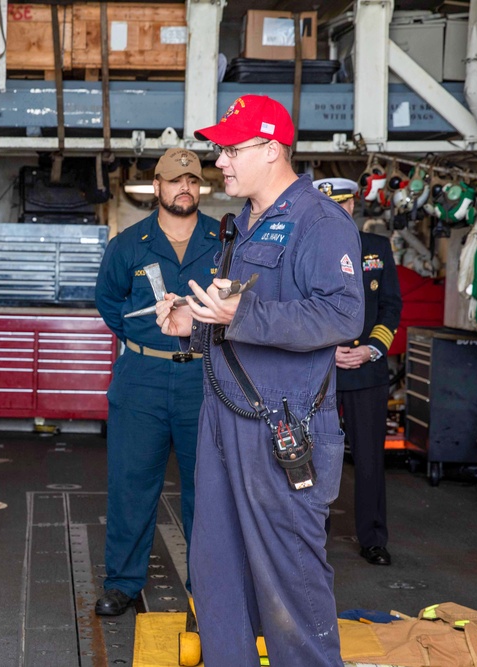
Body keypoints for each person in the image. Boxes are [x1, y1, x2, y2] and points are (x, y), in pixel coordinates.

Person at [156, 96, 364, 666]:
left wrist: (237, 317)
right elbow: (230, 317)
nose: (219, 161)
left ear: (271, 150)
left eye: (231, 148)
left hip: (282, 426)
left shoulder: (320, 222)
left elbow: (343, 315)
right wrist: (190, 327)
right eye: (220, 148)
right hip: (223, 418)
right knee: (217, 571)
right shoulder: (244, 226)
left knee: (288, 579)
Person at [93, 148, 221, 616]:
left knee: (205, 489)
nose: (184, 187)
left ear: (199, 187)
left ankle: (206, 585)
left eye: (192, 180)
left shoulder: (223, 240)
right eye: (174, 180)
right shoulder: (129, 244)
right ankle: (123, 583)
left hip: (204, 379)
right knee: (131, 485)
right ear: (157, 188)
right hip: (142, 379)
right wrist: (145, 338)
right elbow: (108, 302)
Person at [314, 177, 402, 567]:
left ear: (352, 205)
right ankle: (314, 537)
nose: (338, 209)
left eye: (344, 203)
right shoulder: (307, 248)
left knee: (369, 458)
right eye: (328, 203)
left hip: (366, 371)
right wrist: (322, 348)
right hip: (320, 372)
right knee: (314, 458)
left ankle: (374, 539)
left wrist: (372, 349)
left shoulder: (377, 249)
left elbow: (391, 306)